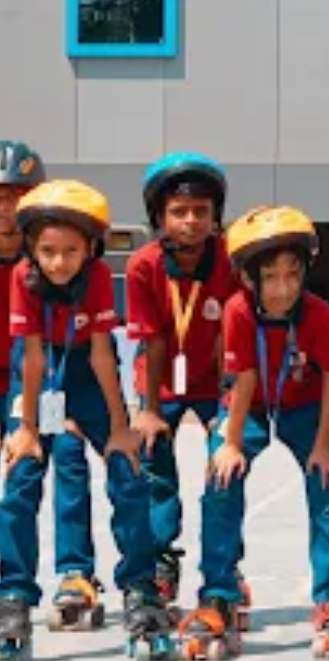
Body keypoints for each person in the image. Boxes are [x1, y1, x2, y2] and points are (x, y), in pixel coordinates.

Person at [0, 181, 173, 661]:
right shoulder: (23, 277)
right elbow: (33, 359)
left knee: (127, 472)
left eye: (70, 252)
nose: (58, 263)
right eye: (48, 251)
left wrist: (119, 427)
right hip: (40, 374)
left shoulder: (96, 277)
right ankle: (12, 597)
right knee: (21, 477)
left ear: (91, 248)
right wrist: (27, 427)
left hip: (87, 371)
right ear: (32, 247)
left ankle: (141, 589)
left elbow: (101, 355)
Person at [184, 206, 329, 661]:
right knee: (220, 479)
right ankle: (220, 591)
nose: (284, 289)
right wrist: (231, 443)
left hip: (304, 406)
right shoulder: (238, 311)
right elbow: (242, 378)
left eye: (292, 275)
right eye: (271, 277)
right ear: (248, 278)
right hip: (250, 406)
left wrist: (324, 444)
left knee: (326, 484)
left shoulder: (318, 313)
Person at [126, 152, 239, 611]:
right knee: (155, 467)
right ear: (159, 216)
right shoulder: (143, 265)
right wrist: (150, 411)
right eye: (178, 212)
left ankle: (226, 566)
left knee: (226, 468)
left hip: (214, 380)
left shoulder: (230, 259)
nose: (190, 221)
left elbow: (232, 334)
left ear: (215, 215)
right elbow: (151, 339)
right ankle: (160, 561)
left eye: (200, 211)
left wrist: (228, 406)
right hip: (161, 382)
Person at [0, 142, 102, 634]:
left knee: (65, 455)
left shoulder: (52, 260)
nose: (4, 209)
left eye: (14, 198)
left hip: (40, 378)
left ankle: (74, 573)